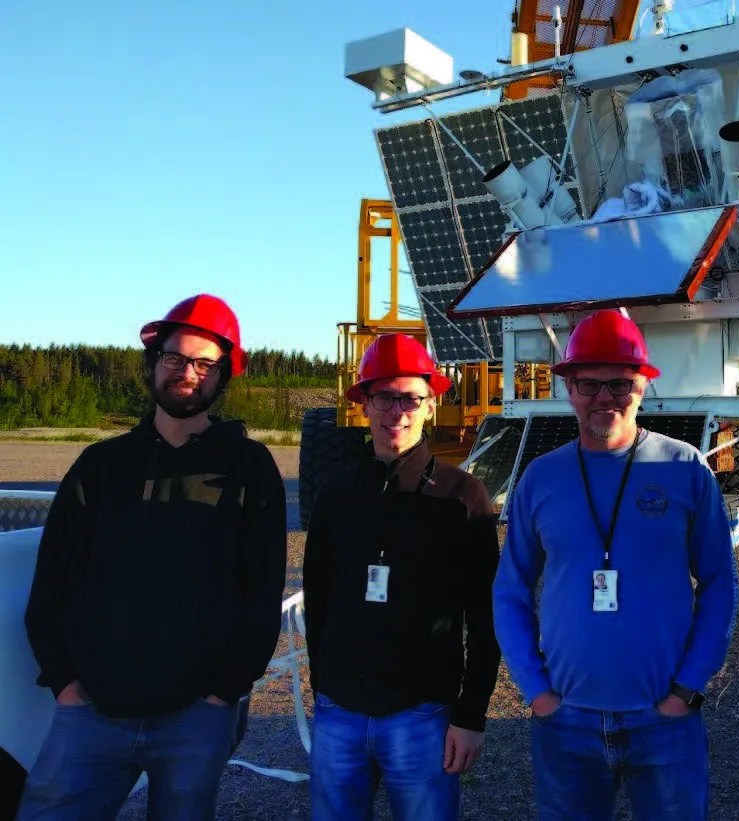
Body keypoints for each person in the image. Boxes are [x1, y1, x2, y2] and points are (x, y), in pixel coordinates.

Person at [19, 294, 287, 820]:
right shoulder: (102, 465)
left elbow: (262, 588)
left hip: (196, 717)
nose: (188, 373)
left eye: (204, 363)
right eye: (175, 358)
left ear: (222, 376)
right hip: (92, 712)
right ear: (153, 362)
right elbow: (53, 577)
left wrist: (224, 693)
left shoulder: (248, 469)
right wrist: (64, 683)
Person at [493, 309, 738, 821]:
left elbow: (719, 582)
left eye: (619, 384)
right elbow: (511, 589)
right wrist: (537, 692)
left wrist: (687, 688)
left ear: (643, 387)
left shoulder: (685, 469)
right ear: (568, 388)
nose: (604, 397)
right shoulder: (541, 479)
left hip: (665, 719)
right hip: (566, 721)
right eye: (588, 384)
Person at [303, 334, 499, 821]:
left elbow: (485, 614)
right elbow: (318, 597)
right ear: (365, 403)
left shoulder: (463, 497)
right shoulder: (337, 495)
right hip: (339, 713)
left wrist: (470, 714)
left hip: (422, 716)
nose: (397, 411)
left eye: (410, 398)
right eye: (384, 397)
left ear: (430, 405)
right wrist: (325, 687)